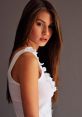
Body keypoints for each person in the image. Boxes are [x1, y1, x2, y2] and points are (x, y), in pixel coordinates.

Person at [7, 0, 63, 117]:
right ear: (27, 22)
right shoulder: (28, 60)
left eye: (50, 26)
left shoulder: (24, 56)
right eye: (39, 24)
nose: (46, 32)